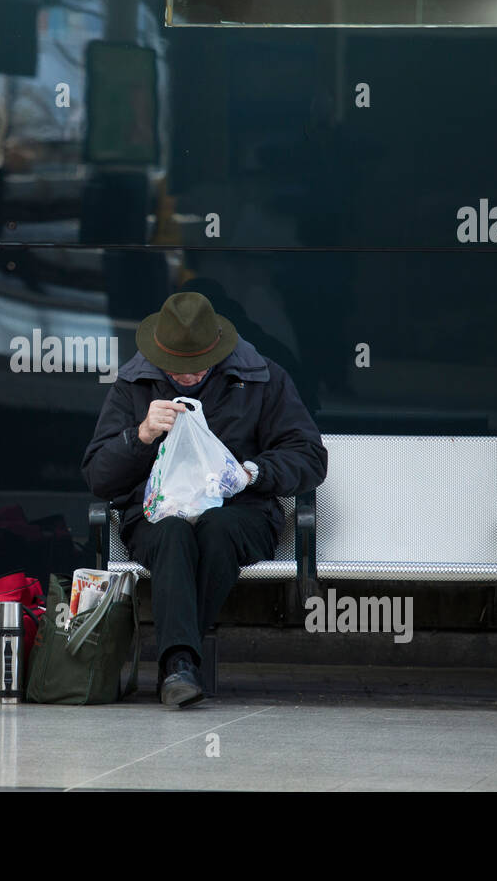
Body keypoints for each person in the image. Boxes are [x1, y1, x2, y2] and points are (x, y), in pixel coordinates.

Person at [81, 292, 328, 707]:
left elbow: (309, 457)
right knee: (175, 533)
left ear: (218, 350)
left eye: (197, 366)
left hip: (242, 512)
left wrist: (254, 472)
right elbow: (99, 477)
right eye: (176, 367)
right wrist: (140, 436)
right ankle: (180, 664)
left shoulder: (261, 377)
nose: (188, 375)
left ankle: (177, 662)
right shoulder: (133, 384)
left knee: (215, 528)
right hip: (157, 513)